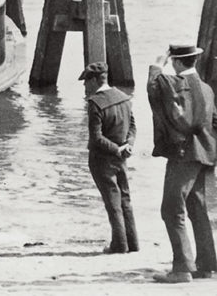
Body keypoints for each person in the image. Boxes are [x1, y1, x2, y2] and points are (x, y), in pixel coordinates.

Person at [147, 43, 217, 283]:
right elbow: (215, 121)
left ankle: (182, 269)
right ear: (194, 61)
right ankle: (207, 265)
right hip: (206, 155)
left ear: (176, 62)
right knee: (198, 209)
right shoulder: (207, 89)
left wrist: (157, 64)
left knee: (171, 209)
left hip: (184, 155)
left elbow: (154, 88)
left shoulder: (174, 84)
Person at [79, 61, 138, 255]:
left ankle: (119, 245)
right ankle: (133, 243)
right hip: (122, 157)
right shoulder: (124, 98)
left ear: (95, 80)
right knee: (125, 199)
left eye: (86, 81)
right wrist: (127, 146)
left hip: (103, 159)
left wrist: (115, 149)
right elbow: (132, 126)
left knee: (113, 203)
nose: (85, 85)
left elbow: (96, 138)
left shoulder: (95, 103)